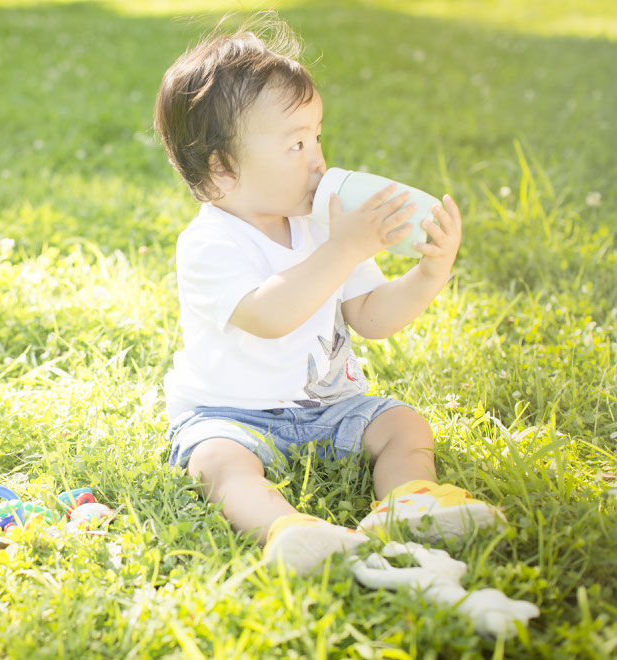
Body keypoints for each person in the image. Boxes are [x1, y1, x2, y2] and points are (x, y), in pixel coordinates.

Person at [153, 18, 504, 575]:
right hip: (232, 412)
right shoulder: (208, 243)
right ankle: (290, 530)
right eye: (295, 143)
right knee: (219, 462)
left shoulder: (323, 227)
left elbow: (370, 316)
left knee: (404, 425)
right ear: (221, 172)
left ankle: (411, 502)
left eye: (316, 136)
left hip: (330, 405)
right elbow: (269, 314)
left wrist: (430, 272)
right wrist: (343, 247)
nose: (317, 158)